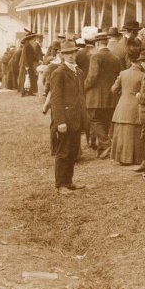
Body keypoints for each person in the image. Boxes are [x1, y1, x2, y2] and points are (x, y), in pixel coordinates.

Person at [50, 40, 87, 193]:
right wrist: (60, 121)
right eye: (67, 53)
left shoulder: (79, 72)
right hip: (65, 119)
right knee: (63, 152)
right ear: (61, 55)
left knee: (73, 151)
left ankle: (69, 181)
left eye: (73, 52)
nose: (71, 56)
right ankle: (60, 184)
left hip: (77, 118)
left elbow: (80, 96)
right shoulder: (59, 72)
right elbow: (56, 99)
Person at [84, 32, 122, 160]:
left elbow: (92, 77)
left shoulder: (96, 57)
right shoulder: (115, 58)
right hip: (111, 96)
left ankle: (107, 145)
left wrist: (84, 86)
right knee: (105, 122)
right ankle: (102, 149)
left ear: (97, 43)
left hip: (95, 96)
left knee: (93, 119)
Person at [110, 44, 145, 166]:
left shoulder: (123, 73)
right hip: (136, 106)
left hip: (122, 105)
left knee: (122, 133)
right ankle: (135, 158)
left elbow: (114, 89)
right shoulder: (143, 75)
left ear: (130, 60)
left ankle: (121, 157)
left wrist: (123, 92)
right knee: (134, 133)